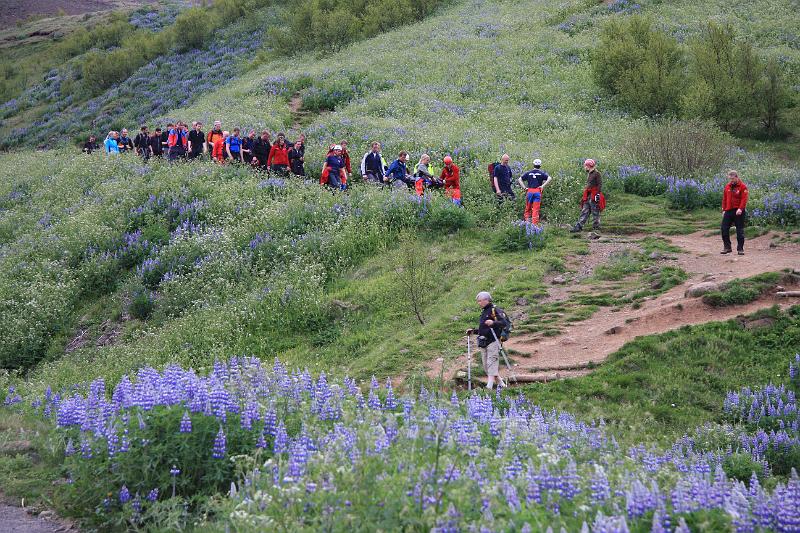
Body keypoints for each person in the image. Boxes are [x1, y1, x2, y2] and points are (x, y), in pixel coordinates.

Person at [466, 291, 509, 389]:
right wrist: (473, 331)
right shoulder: (484, 311)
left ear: (486, 300)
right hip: (483, 341)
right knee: (486, 365)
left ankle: (489, 386)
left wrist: (493, 323)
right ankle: (502, 384)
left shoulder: (495, 309)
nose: (479, 303)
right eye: (478, 301)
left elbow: (503, 323)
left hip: (494, 340)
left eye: (480, 301)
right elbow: (484, 329)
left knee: (491, 362)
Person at [571, 159, 604, 232]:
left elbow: (599, 185)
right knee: (584, 211)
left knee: (595, 211)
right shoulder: (589, 173)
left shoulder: (597, 173)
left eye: (585, 166)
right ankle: (579, 226)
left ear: (589, 166)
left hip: (593, 195)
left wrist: (597, 195)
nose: (584, 167)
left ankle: (596, 227)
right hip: (588, 195)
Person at [721, 170, 748, 255]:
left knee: (739, 230)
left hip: (738, 211)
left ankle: (740, 249)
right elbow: (724, 199)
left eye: (732, 179)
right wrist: (724, 209)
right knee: (724, 228)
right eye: (730, 179)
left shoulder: (743, 186)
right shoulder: (727, 187)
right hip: (728, 210)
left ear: (736, 177)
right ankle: (727, 247)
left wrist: (740, 208)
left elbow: (744, 199)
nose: (731, 180)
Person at [518, 159, 551, 224]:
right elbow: (549, 178)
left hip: (529, 191)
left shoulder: (528, 173)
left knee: (528, 208)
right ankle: (534, 225)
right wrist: (542, 186)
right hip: (537, 192)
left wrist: (524, 188)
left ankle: (527, 223)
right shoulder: (541, 173)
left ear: (533, 164)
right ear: (540, 165)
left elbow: (519, 179)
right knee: (536, 209)